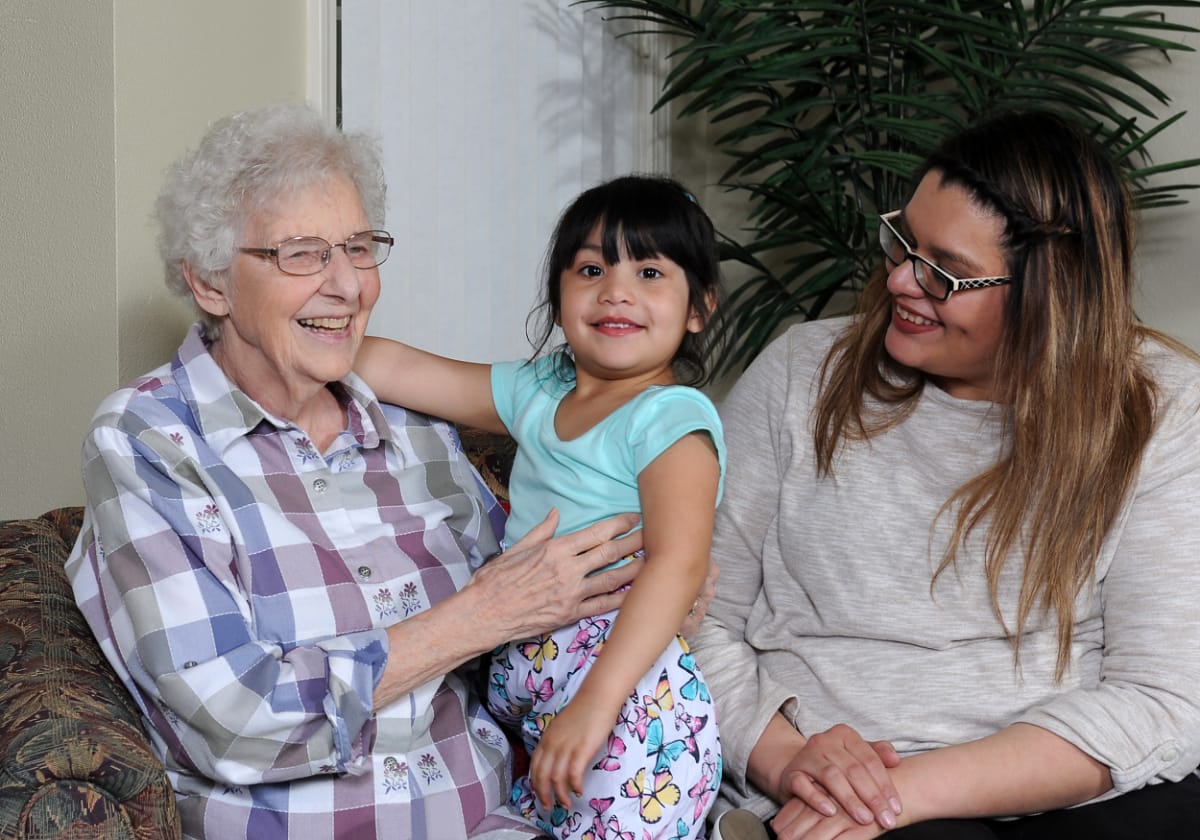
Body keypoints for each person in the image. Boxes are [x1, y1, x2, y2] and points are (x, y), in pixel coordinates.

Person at [65, 103, 713, 840]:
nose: (348, 285)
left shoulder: (413, 431)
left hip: (514, 818)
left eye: (360, 248)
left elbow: (537, 604)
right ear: (210, 285)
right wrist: (472, 619)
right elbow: (235, 722)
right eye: (303, 253)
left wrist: (631, 597)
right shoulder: (150, 442)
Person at [697, 110, 1200, 840]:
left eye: (947, 272)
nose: (900, 278)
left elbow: (1164, 696)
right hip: (833, 779)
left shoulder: (1165, 407)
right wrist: (789, 762)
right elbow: (694, 617)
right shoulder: (799, 374)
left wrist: (907, 792)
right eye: (903, 239)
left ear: (1052, 295)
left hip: (1062, 775)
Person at [355, 175, 727, 840]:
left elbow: (679, 565)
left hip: (632, 697)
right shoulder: (539, 391)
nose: (616, 290)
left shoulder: (671, 419)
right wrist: (302, 337)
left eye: (649, 271)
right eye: (590, 268)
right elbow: (399, 369)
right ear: (559, 297)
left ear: (699, 306)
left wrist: (595, 705)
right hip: (535, 686)